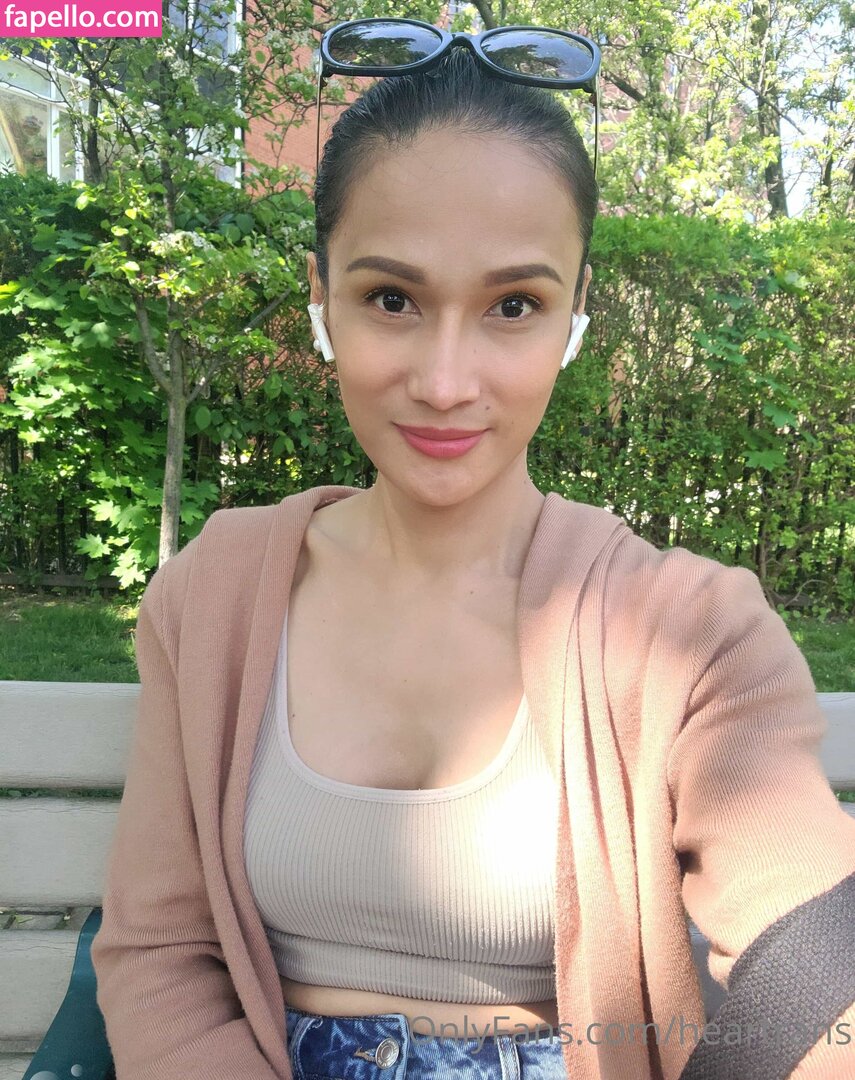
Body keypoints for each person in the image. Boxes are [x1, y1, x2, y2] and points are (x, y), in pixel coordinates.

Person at [90, 31, 855, 1080]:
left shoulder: (686, 631)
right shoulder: (215, 594)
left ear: (574, 315)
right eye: (391, 298)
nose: (446, 383)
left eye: (513, 306)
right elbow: (158, 952)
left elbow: (820, 969)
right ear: (321, 296)